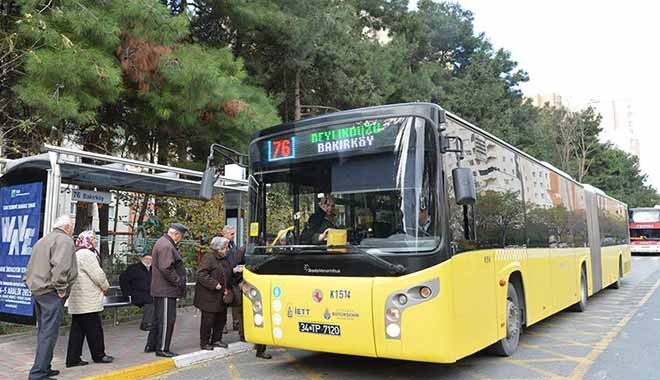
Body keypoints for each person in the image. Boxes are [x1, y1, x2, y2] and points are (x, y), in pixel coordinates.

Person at [24, 215, 78, 380]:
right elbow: (60, 266)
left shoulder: (43, 240)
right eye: (72, 226)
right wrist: (61, 288)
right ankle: (38, 373)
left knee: (44, 331)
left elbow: (31, 265)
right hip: (51, 292)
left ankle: (44, 367)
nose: (73, 229)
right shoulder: (64, 240)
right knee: (49, 333)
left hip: (38, 290)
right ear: (67, 227)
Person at [65, 231, 113, 367]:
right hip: (88, 298)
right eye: (93, 239)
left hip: (77, 298)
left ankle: (73, 358)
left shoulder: (75, 253)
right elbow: (98, 275)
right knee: (95, 329)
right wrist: (105, 287)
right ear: (88, 240)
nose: (95, 241)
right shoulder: (87, 254)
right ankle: (99, 355)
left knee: (77, 331)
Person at [145, 223, 188, 357]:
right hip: (166, 289)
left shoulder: (163, 242)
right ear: (176, 234)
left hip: (161, 289)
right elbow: (166, 268)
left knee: (158, 319)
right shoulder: (167, 246)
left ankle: (151, 345)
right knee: (166, 320)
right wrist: (178, 281)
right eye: (181, 237)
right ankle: (162, 348)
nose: (180, 240)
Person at [193, 237, 233, 350]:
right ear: (218, 249)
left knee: (221, 319)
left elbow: (226, 271)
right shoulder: (209, 257)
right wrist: (214, 284)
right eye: (224, 248)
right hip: (209, 296)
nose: (227, 250)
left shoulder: (223, 258)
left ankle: (216, 339)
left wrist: (234, 271)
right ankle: (204, 342)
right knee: (208, 320)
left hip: (221, 296)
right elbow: (201, 274)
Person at [119, 252, 153, 331]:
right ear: (142, 259)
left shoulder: (153, 269)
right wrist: (127, 293)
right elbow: (123, 279)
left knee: (157, 299)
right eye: (146, 259)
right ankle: (145, 324)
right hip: (135, 294)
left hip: (149, 293)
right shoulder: (133, 268)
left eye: (150, 259)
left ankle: (154, 322)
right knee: (150, 301)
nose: (148, 261)